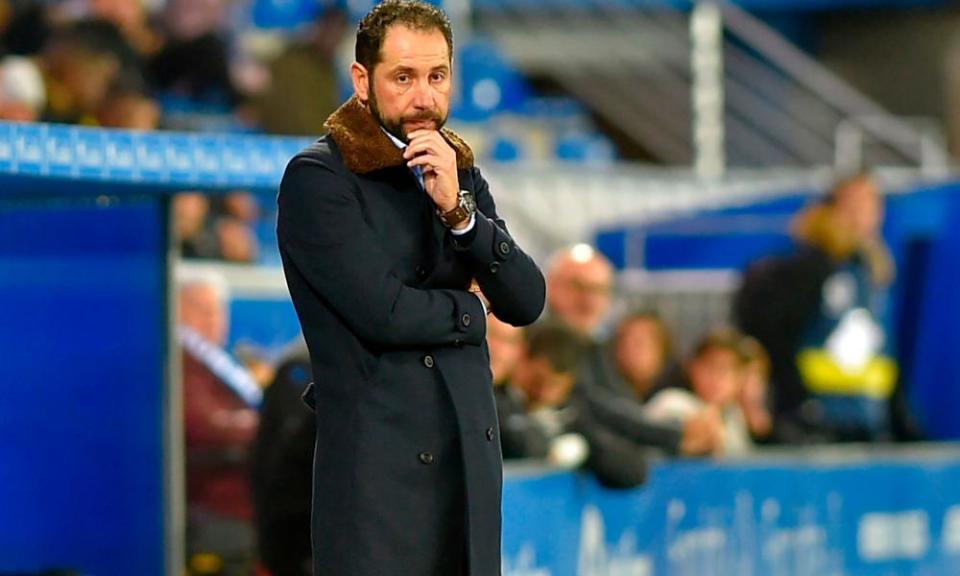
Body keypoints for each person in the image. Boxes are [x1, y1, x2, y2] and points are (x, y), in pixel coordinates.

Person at [276, 2, 546, 574]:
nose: (424, 97)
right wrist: (472, 314)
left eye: (437, 76)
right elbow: (386, 314)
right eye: (404, 77)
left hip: (468, 474)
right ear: (362, 81)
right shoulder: (319, 179)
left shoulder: (458, 172)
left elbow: (526, 300)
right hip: (378, 491)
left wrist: (460, 213)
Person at [733, 173, 900, 442]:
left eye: (871, 203)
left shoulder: (871, 272)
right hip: (811, 426)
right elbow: (771, 337)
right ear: (830, 207)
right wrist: (794, 406)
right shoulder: (804, 266)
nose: (862, 214)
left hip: (867, 422)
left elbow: (882, 355)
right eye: (854, 203)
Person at [178, 269, 262, 575]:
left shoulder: (218, 361)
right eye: (201, 309)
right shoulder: (181, 360)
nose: (212, 319)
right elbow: (202, 425)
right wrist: (262, 426)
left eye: (218, 310)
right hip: (212, 502)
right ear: (175, 309)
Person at [646, 328, 754, 457]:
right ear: (692, 367)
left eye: (727, 369)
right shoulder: (670, 404)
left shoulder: (734, 414)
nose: (717, 378)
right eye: (710, 367)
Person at [546, 243, 615, 338]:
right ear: (551, 285)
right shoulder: (523, 345)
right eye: (578, 286)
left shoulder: (616, 350)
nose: (590, 301)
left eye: (599, 290)